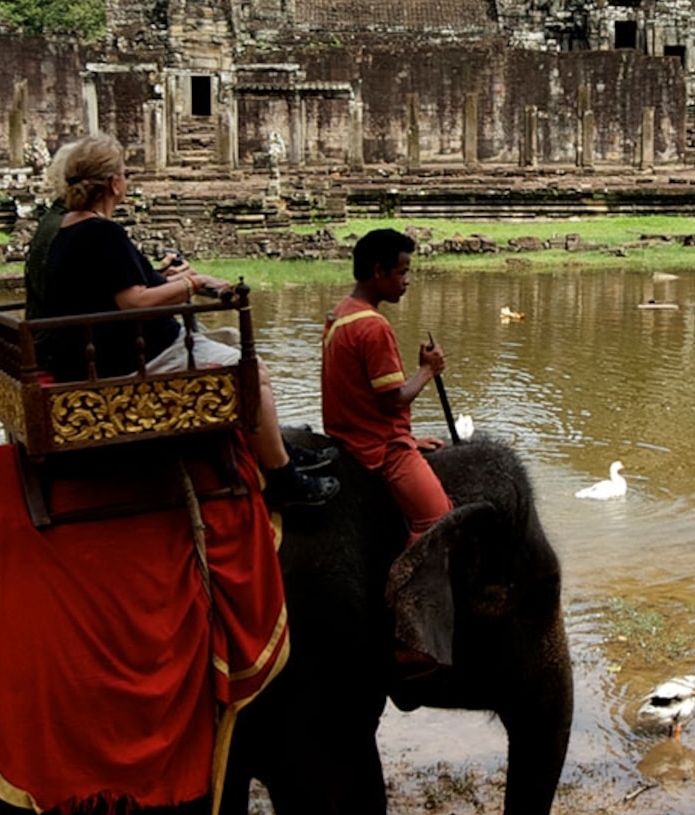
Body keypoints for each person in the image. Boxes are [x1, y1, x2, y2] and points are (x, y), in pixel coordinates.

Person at [23, 133, 335, 508]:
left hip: (106, 350)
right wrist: (192, 283)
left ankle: (280, 449)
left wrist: (170, 279)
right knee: (252, 372)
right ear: (113, 183)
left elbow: (118, 286)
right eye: (125, 173)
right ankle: (284, 480)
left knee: (251, 365)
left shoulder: (70, 228)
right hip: (127, 359)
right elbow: (134, 301)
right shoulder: (101, 231)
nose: (127, 180)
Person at [321, 227, 450, 540]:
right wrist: (427, 370)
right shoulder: (372, 326)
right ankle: (409, 588)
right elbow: (393, 399)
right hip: (380, 448)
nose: (407, 281)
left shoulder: (340, 313)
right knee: (440, 521)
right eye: (402, 272)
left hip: (348, 434)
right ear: (378, 271)